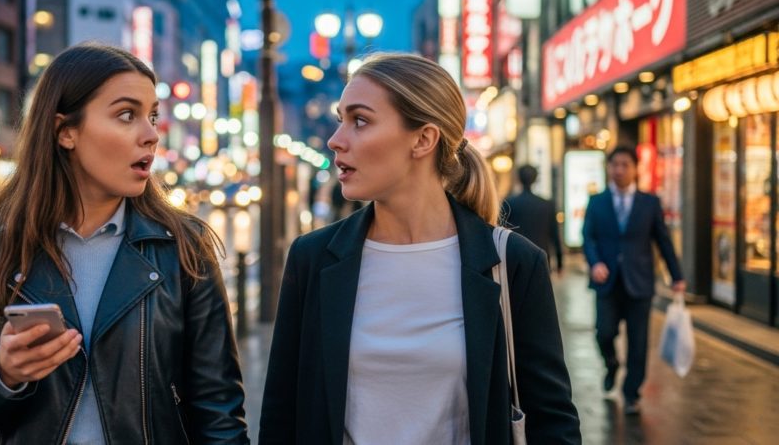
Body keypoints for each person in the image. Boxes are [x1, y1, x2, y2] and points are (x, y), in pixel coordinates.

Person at [0, 43, 249, 444]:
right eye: (126, 115)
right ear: (66, 131)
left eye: (152, 116)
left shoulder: (183, 247)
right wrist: (2, 372)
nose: (151, 135)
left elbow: (219, 412)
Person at [259, 53, 580, 444]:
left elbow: (552, 422)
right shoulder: (313, 257)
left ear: (424, 139)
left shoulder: (511, 262)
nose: (335, 139)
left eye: (360, 120)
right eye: (340, 119)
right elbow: (281, 416)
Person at [582, 145, 685, 415]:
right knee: (603, 332)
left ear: (635, 167)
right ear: (609, 167)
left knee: (638, 342)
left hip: (640, 282)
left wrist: (677, 276)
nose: (619, 169)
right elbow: (588, 237)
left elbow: (662, 240)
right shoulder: (597, 201)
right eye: (614, 164)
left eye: (625, 164)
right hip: (608, 282)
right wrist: (595, 263)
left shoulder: (649, 203)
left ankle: (631, 393)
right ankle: (612, 364)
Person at [503, 164, 565, 273]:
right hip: (541, 258)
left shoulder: (509, 203)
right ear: (536, 179)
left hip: (515, 257)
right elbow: (554, 235)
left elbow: (502, 232)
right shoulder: (547, 205)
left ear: (518, 179)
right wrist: (560, 263)